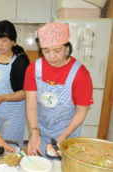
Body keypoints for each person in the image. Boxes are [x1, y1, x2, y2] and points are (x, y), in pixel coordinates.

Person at [24, 23, 93, 159]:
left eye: (57, 51)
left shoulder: (80, 73)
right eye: (46, 51)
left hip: (68, 135)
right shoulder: (34, 69)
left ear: (67, 47)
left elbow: (81, 111)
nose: (51, 56)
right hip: (42, 134)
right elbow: (31, 105)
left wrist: (63, 137)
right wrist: (34, 132)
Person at [0, 20, 30, 150]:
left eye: (4, 40)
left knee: (8, 151)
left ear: (13, 40)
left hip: (11, 117)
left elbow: (25, 92)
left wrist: (4, 97)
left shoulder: (20, 61)